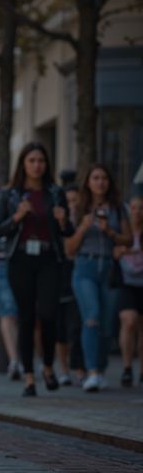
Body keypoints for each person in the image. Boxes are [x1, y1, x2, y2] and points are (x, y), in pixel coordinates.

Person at [0, 142, 73, 397]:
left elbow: (67, 232)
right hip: (20, 259)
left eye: (41, 161)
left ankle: (47, 367)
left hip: (49, 258)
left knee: (48, 314)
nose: (37, 165)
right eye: (32, 161)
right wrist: (17, 217)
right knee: (26, 316)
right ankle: (29, 376)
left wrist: (63, 221)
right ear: (23, 164)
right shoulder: (10, 194)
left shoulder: (55, 192)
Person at [64, 164, 131, 392]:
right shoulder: (79, 208)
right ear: (88, 182)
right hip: (85, 266)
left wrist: (110, 233)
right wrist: (83, 227)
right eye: (95, 177)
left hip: (109, 268)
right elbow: (69, 249)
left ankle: (101, 370)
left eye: (104, 178)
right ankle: (91, 371)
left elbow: (128, 240)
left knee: (107, 325)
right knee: (91, 316)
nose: (100, 182)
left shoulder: (118, 209)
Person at [56, 182, 84, 386]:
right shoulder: (58, 223)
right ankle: (62, 367)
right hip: (61, 275)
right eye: (68, 201)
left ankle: (79, 366)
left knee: (77, 324)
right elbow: (67, 249)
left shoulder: (86, 221)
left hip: (80, 274)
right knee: (60, 326)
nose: (72, 205)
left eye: (75, 200)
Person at [115, 192, 143, 387]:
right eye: (133, 208)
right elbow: (114, 251)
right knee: (129, 320)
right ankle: (126, 367)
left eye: (141, 208)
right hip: (126, 282)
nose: (137, 212)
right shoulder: (122, 231)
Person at [0, 240, 22, 380]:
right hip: (1, 264)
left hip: (23, 261)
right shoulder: (1, 224)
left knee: (19, 313)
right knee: (9, 311)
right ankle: (14, 360)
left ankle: (18, 359)